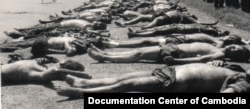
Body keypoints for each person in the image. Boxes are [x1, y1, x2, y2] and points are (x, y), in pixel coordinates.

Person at [54, 63, 243, 96]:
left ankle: (81, 92)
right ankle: (86, 83)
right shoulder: (238, 70)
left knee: (126, 85)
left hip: (174, 82)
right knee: (124, 77)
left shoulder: (244, 83)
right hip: (169, 71)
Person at [87, 43, 250, 64]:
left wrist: (175, 61)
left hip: (176, 53)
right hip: (174, 47)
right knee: (138, 52)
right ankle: (105, 54)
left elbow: (200, 59)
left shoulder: (219, 55)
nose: (234, 47)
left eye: (237, 51)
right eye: (237, 46)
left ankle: (104, 58)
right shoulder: (220, 46)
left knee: (138, 56)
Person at [1, 59, 92, 86]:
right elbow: (54, 70)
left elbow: (54, 70)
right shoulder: (41, 70)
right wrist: (79, 74)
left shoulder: (36, 66)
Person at [101, 33, 248, 48]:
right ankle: (116, 43)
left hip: (179, 42)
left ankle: (115, 44)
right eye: (232, 35)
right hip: (178, 38)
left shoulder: (218, 42)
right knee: (147, 40)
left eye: (232, 39)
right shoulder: (217, 39)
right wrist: (244, 42)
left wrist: (242, 42)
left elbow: (219, 46)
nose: (230, 36)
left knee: (147, 43)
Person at [115, 10, 217, 28]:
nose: (190, 13)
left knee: (156, 21)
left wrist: (211, 23)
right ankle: (125, 23)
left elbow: (199, 23)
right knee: (141, 17)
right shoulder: (181, 12)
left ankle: (145, 28)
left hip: (166, 18)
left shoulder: (189, 18)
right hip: (161, 15)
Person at [127, 23, 229, 38]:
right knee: (156, 29)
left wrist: (220, 34)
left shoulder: (208, 31)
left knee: (156, 32)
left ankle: (135, 35)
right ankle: (136, 32)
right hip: (178, 26)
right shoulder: (206, 28)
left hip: (178, 29)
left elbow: (219, 35)